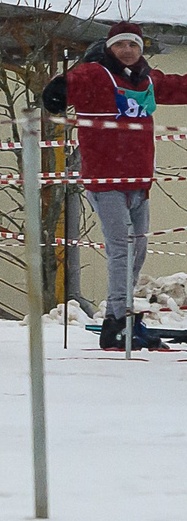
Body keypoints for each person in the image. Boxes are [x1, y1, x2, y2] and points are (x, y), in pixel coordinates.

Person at [62, 18, 187, 350]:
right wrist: (59, 91)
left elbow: (178, 86)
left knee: (138, 250)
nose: (128, 50)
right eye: (121, 44)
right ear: (109, 48)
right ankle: (117, 322)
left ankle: (120, 318)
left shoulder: (146, 79)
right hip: (106, 178)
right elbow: (70, 83)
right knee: (122, 248)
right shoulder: (96, 75)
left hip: (138, 178)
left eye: (133, 44)